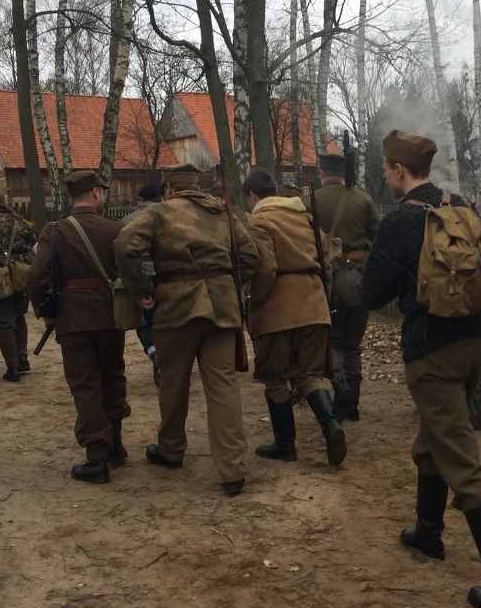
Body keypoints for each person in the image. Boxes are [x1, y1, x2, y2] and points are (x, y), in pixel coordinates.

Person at [358, 130, 481, 608]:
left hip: (432, 352)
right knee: (435, 437)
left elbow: (371, 296)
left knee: (462, 460)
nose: (385, 175)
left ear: (397, 170)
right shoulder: (461, 207)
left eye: (386, 168)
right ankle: (428, 533)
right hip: (477, 342)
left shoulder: (400, 223)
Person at [115, 163, 259, 496]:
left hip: (176, 306)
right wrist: (227, 283)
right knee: (223, 386)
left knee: (172, 382)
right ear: (198, 187)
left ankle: (171, 449)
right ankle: (233, 471)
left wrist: (142, 289)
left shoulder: (158, 214)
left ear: (168, 189)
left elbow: (124, 246)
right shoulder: (223, 212)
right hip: (222, 309)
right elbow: (251, 256)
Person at [28, 170, 130, 485]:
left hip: (72, 320)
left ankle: (96, 458)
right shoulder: (116, 229)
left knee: (85, 385)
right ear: (96, 193)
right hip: (111, 316)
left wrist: (45, 312)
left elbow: (36, 276)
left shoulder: (55, 231)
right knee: (113, 376)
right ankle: (114, 443)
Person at [241, 170, 346, 466]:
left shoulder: (260, 221)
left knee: (275, 377)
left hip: (278, 309)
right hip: (314, 306)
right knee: (308, 375)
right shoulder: (306, 219)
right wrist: (321, 301)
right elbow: (326, 266)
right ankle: (330, 424)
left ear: (252, 196)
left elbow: (264, 270)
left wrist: (258, 304)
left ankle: (286, 444)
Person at [313, 152, 380, 422]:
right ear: (343, 174)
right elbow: (379, 236)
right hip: (359, 280)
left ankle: (339, 387)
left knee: (333, 340)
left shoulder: (311, 201)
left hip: (326, 282)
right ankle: (352, 403)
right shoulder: (363, 199)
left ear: (321, 173)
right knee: (353, 344)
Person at [0, 192, 38, 381]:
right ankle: (22, 357)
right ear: (4, 203)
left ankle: (12, 368)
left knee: (4, 322)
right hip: (21, 273)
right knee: (19, 315)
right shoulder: (22, 222)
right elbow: (36, 247)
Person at [122, 184, 162, 385]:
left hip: (140, 278)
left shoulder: (125, 221)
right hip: (163, 277)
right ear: (158, 197)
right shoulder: (165, 216)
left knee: (145, 320)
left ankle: (153, 350)